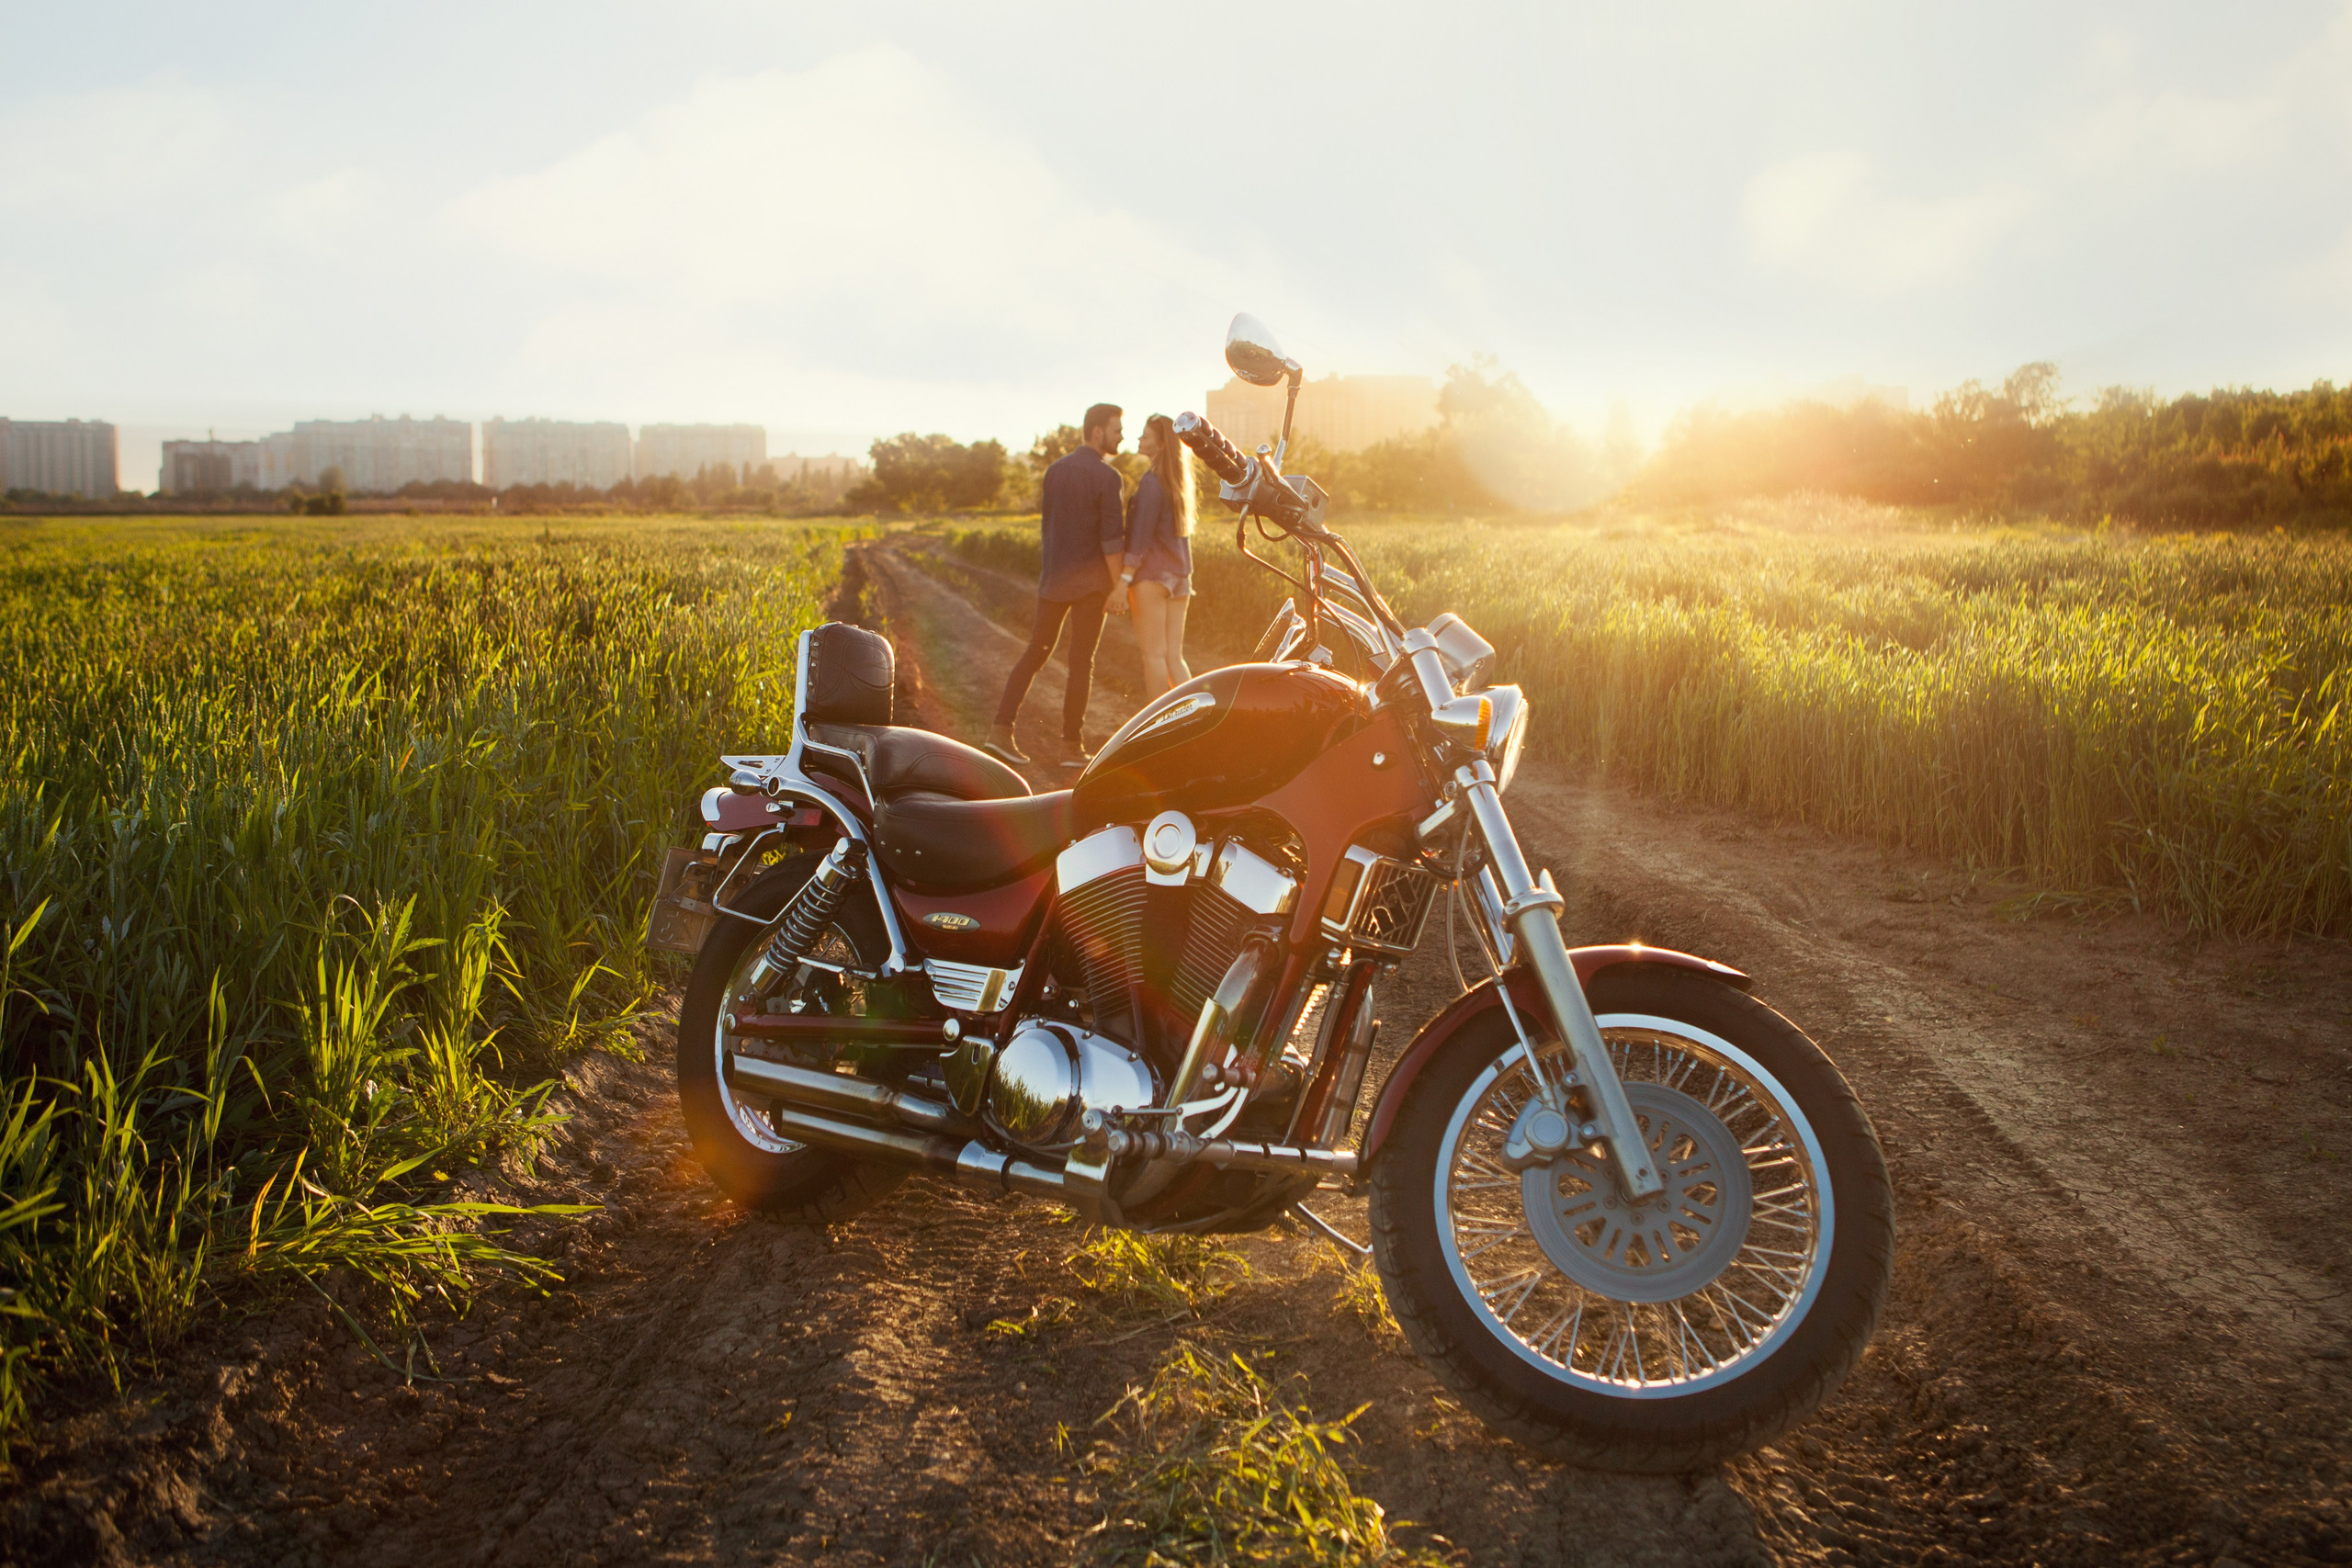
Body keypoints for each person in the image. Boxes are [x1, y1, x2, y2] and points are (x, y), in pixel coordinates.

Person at [984, 403, 1128, 768]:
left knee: (1036, 652)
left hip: (1053, 580)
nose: (1121, 436)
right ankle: (1070, 748)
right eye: (1116, 430)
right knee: (1082, 663)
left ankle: (1000, 731)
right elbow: (1112, 541)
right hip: (1092, 586)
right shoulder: (1108, 477)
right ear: (1097, 432)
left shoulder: (1055, 471)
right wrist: (1119, 587)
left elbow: (1049, 527)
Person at [1124, 414, 1195, 696]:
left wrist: (1125, 576)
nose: (1139, 439)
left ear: (1161, 443)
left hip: (1152, 578)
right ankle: (1193, 720)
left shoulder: (1152, 483)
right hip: (1181, 579)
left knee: (1153, 656)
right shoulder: (1179, 485)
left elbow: (1140, 536)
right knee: (1174, 657)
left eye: (1145, 436)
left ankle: (1157, 727)